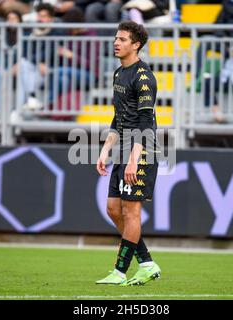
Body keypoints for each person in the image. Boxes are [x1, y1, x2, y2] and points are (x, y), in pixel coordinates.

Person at [95, 21, 161, 286]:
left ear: (136, 45)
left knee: (132, 212)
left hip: (141, 149)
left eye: (122, 39)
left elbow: (146, 123)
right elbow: (118, 117)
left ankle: (120, 271)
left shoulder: (144, 77)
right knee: (113, 209)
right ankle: (146, 262)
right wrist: (105, 149)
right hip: (122, 148)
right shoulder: (118, 73)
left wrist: (135, 159)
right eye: (116, 38)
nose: (116, 42)